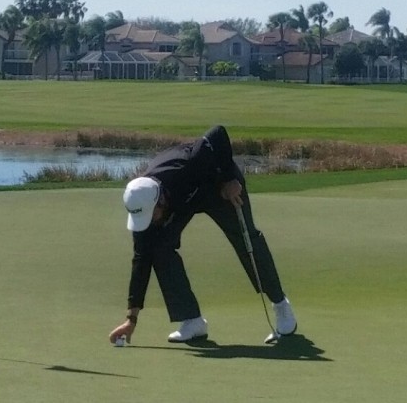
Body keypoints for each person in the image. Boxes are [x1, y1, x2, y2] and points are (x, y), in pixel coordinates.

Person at [108, 125, 297, 344]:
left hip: (219, 188)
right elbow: (141, 258)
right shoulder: (143, 206)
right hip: (183, 202)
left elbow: (218, 133)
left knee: (246, 240)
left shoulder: (190, 162)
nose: (149, 221)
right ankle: (192, 321)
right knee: (159, 248)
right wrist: (131, 318)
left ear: (159, 201)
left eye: (152, 215)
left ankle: (281, 306)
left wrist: (228, 178)